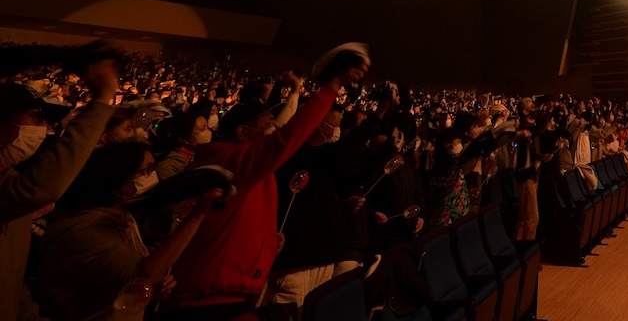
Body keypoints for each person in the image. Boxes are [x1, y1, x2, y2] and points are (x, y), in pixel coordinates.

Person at [157, 49, 369, 321]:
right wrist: (333, 85)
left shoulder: (254, 171)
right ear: (243, 132)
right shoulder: (232, 162)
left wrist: (266, 243)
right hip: (208, 305)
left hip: (231, 299)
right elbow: (287, 138)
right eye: (269, 123)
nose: (275, 128)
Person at [35, 142, 222, 321]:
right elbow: (142, 274)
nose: (151, 174)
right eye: (145, 170)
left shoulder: (120, 218)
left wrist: (151, 290)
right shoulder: (86, 231)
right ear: (117, 178)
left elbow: (126, 283)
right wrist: (198, 214)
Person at [1, 55, 119, 321]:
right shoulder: (17, 190)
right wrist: (100, 102)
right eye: (37, 117)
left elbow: (10, 282)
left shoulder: (11, 180)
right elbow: (42, 188)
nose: (46, 126)